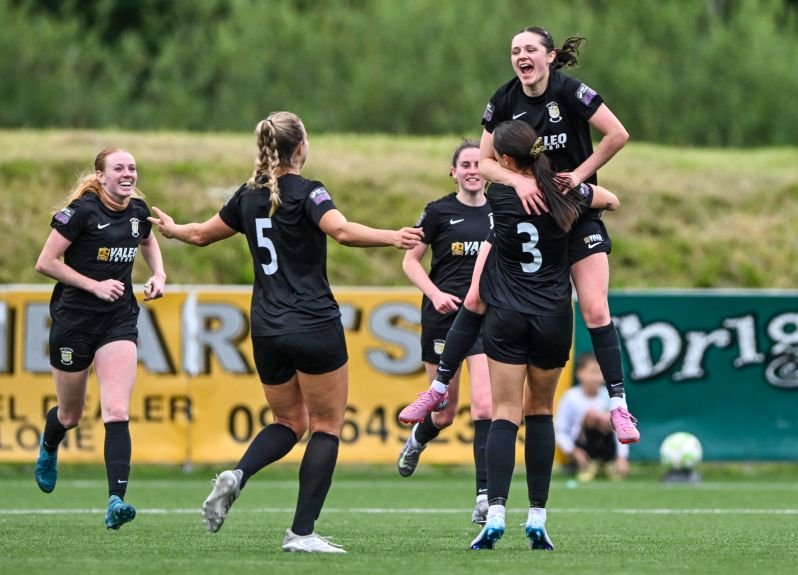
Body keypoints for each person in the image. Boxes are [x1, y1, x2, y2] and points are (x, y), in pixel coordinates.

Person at [147, 111, 423, 554]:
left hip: (267, 328)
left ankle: (238, 474)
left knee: (289, 422)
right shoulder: (310, 192)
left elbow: (198, 235)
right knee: (327, 426)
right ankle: (301, 532)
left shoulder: (248, 196)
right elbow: (343, 232)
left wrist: (172, 228)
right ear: (300, 148)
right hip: (313, 323)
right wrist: (393, 236)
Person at [400, 26, 639, 446]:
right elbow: (486, 161)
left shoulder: (571, 92)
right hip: (523, 215)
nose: (521, 56)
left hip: (574, 214)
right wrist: (519, 182)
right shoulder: (504, 98)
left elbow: (617, 134)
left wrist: (575, 178)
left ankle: (618, 405)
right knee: (474, 298)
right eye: (515, 50)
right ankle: (437, 389)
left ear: (549, 56)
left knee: (596, 309)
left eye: (530, 49)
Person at [468, 119, 620, 551]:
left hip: (508, 316)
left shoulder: (498, 193)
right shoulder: (562, 189)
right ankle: (538, 515)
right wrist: (582, 192)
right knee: (540, 412)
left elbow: (488, 170)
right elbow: (612, 200)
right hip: (553, 317)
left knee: (503, 413)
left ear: (504, 160)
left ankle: (495, 509)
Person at [33, 147, 166, 530]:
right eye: (119, 168)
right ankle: (48, 446)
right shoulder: (80, 214)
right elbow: (45, 263)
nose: (128, 174)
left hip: (118, 321)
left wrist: (159, 275)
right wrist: (93, 285)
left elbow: (147, 241)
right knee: (70, 415)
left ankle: (115, 501)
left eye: (133, 168)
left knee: (117, 411)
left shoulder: (138, 211)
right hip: (74, 323)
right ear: (101, 176)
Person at [396, 140, 493, 524]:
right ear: (453, 172)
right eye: (464, 164)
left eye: (477, 163)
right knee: (445, 412)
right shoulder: (438, 212)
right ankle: (419, 439)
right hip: (444, 317)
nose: (471, 169)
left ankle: (485, 497)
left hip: (485, 319)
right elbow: (410, 262)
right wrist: (434, 294)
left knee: (485, 406)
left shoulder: (499, 210)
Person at [555, 352, 629, 482]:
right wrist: (575, 452)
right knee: (592, 414)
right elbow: (560, 431)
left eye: (601, 372)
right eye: (593, 372)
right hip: (581, 447)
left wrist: (622, 457)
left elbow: (622, 426)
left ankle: (607, 462)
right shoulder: (571, 397)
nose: (598, 378)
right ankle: (589, 464)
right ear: (580, 373)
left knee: (609, 417)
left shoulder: (608, 396)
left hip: (607, 446)